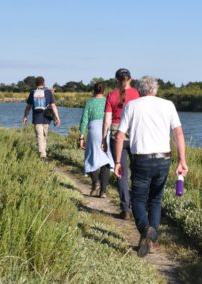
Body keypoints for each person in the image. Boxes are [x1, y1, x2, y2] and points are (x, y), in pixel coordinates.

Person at [114, 75, 188, 257]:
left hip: (141, 160)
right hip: (164, 159)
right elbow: (178, 133)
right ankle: (151, 241)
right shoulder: (168, 105)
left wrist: (117, 161)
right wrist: (182, 160)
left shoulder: (132, 105)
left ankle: (145, 229)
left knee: (138, 200)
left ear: (139, 90)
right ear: (155, 90)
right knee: (155, 200)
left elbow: (119, 135)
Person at [102, 68, 140, 220]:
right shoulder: (137, 94)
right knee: (137, 172)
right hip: (134, 134)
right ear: (130, 79)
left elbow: (107, 121)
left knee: (121, 173)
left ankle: (125, 209)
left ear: (116, 80)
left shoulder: (111, 95)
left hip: (116, 134)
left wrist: (103, 139)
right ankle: (139, 206)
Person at [79, 83, 114, 198]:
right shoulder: (107, 101)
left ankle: (95, 184)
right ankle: (103, 191)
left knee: (91, 157)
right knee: (106, 160)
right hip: (106, 130)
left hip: (94, 130)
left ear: (93, 90)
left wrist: (81, 136)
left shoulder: (90, 102)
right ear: (104, 90)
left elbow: (84, 120)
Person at [23, 76, 60, 159]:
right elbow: (53, 106)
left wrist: (25, 116)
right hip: (47, 118)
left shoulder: (33, 93)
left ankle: (43, 154)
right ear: (44, 83)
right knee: (44, 136)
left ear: (36, 84)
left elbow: (28, 107)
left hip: (36, 118)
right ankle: (43, 154)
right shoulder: (48, 92)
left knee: (40, 136)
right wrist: (57, 117)